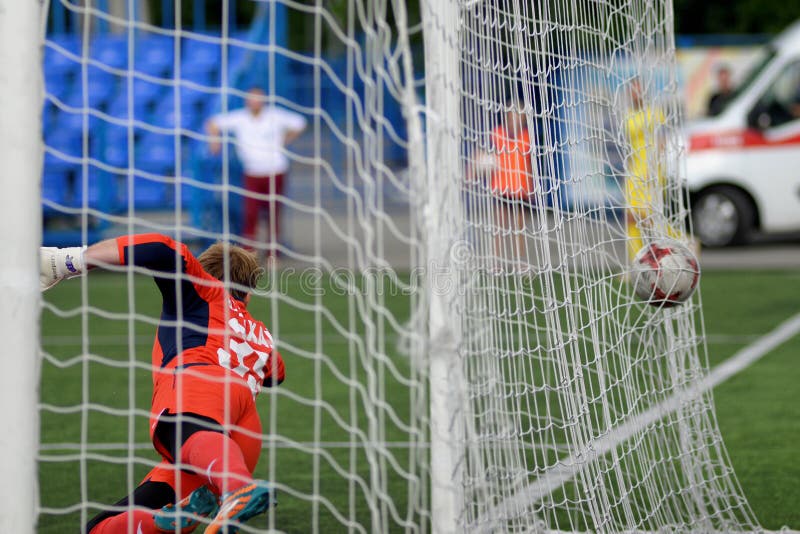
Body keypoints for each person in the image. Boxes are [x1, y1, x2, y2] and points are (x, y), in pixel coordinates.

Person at [40, 234, 286, 533]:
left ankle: (238, 487)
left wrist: (66, 262)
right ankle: (181, 514)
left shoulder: (203, 291)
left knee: (185, 431)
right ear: (247, 295)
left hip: (202, 395)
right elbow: (277, 374)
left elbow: (162, 248)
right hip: (237, 437)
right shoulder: (262, 336)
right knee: (101, 528)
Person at [205, 87, 307, 255]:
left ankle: (273, 253)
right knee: (251, 213)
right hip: (252, 173)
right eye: (252, 98)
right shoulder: (240, 118)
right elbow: (213, 123)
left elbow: (300, 122)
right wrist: (214, 142)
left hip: (275, 171)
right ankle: (249, 253)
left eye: (258, 98)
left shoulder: (276, 115)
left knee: (272, 213)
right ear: (247, 100)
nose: (255, 101)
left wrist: (286, 139)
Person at [488, 103, 537, 272]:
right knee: (499, 227)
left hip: (521, 189)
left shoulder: (527, 137)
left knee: (519, 229)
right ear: (507, 117)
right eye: (513, 115)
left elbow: (530, 165)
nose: (516, 119)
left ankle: (520, 262)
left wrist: (532, 188)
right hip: (501, 188)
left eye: (519, 116)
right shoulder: (496, 134)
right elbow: (482, 155)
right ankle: (497, 262)